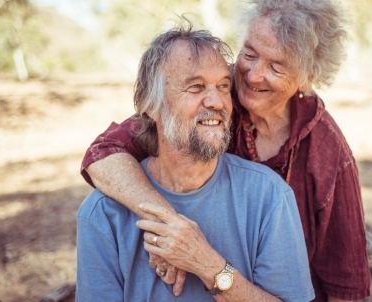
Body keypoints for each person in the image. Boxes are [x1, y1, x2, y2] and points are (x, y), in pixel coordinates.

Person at [81, 0, 372, 302]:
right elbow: (104, 154)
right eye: (249, 53)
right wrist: (168, 224)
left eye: (276, 67)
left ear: (307, 78)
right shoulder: (216, 91)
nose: (253, 74)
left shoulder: (327, 152)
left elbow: (348, 284)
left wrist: (205, 262)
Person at [76, 23, 315, 301]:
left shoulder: (269, 196)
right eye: (196, 86)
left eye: (224, 86)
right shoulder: (103, 214)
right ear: (151, 107)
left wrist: (208, 265)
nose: (216, 101)